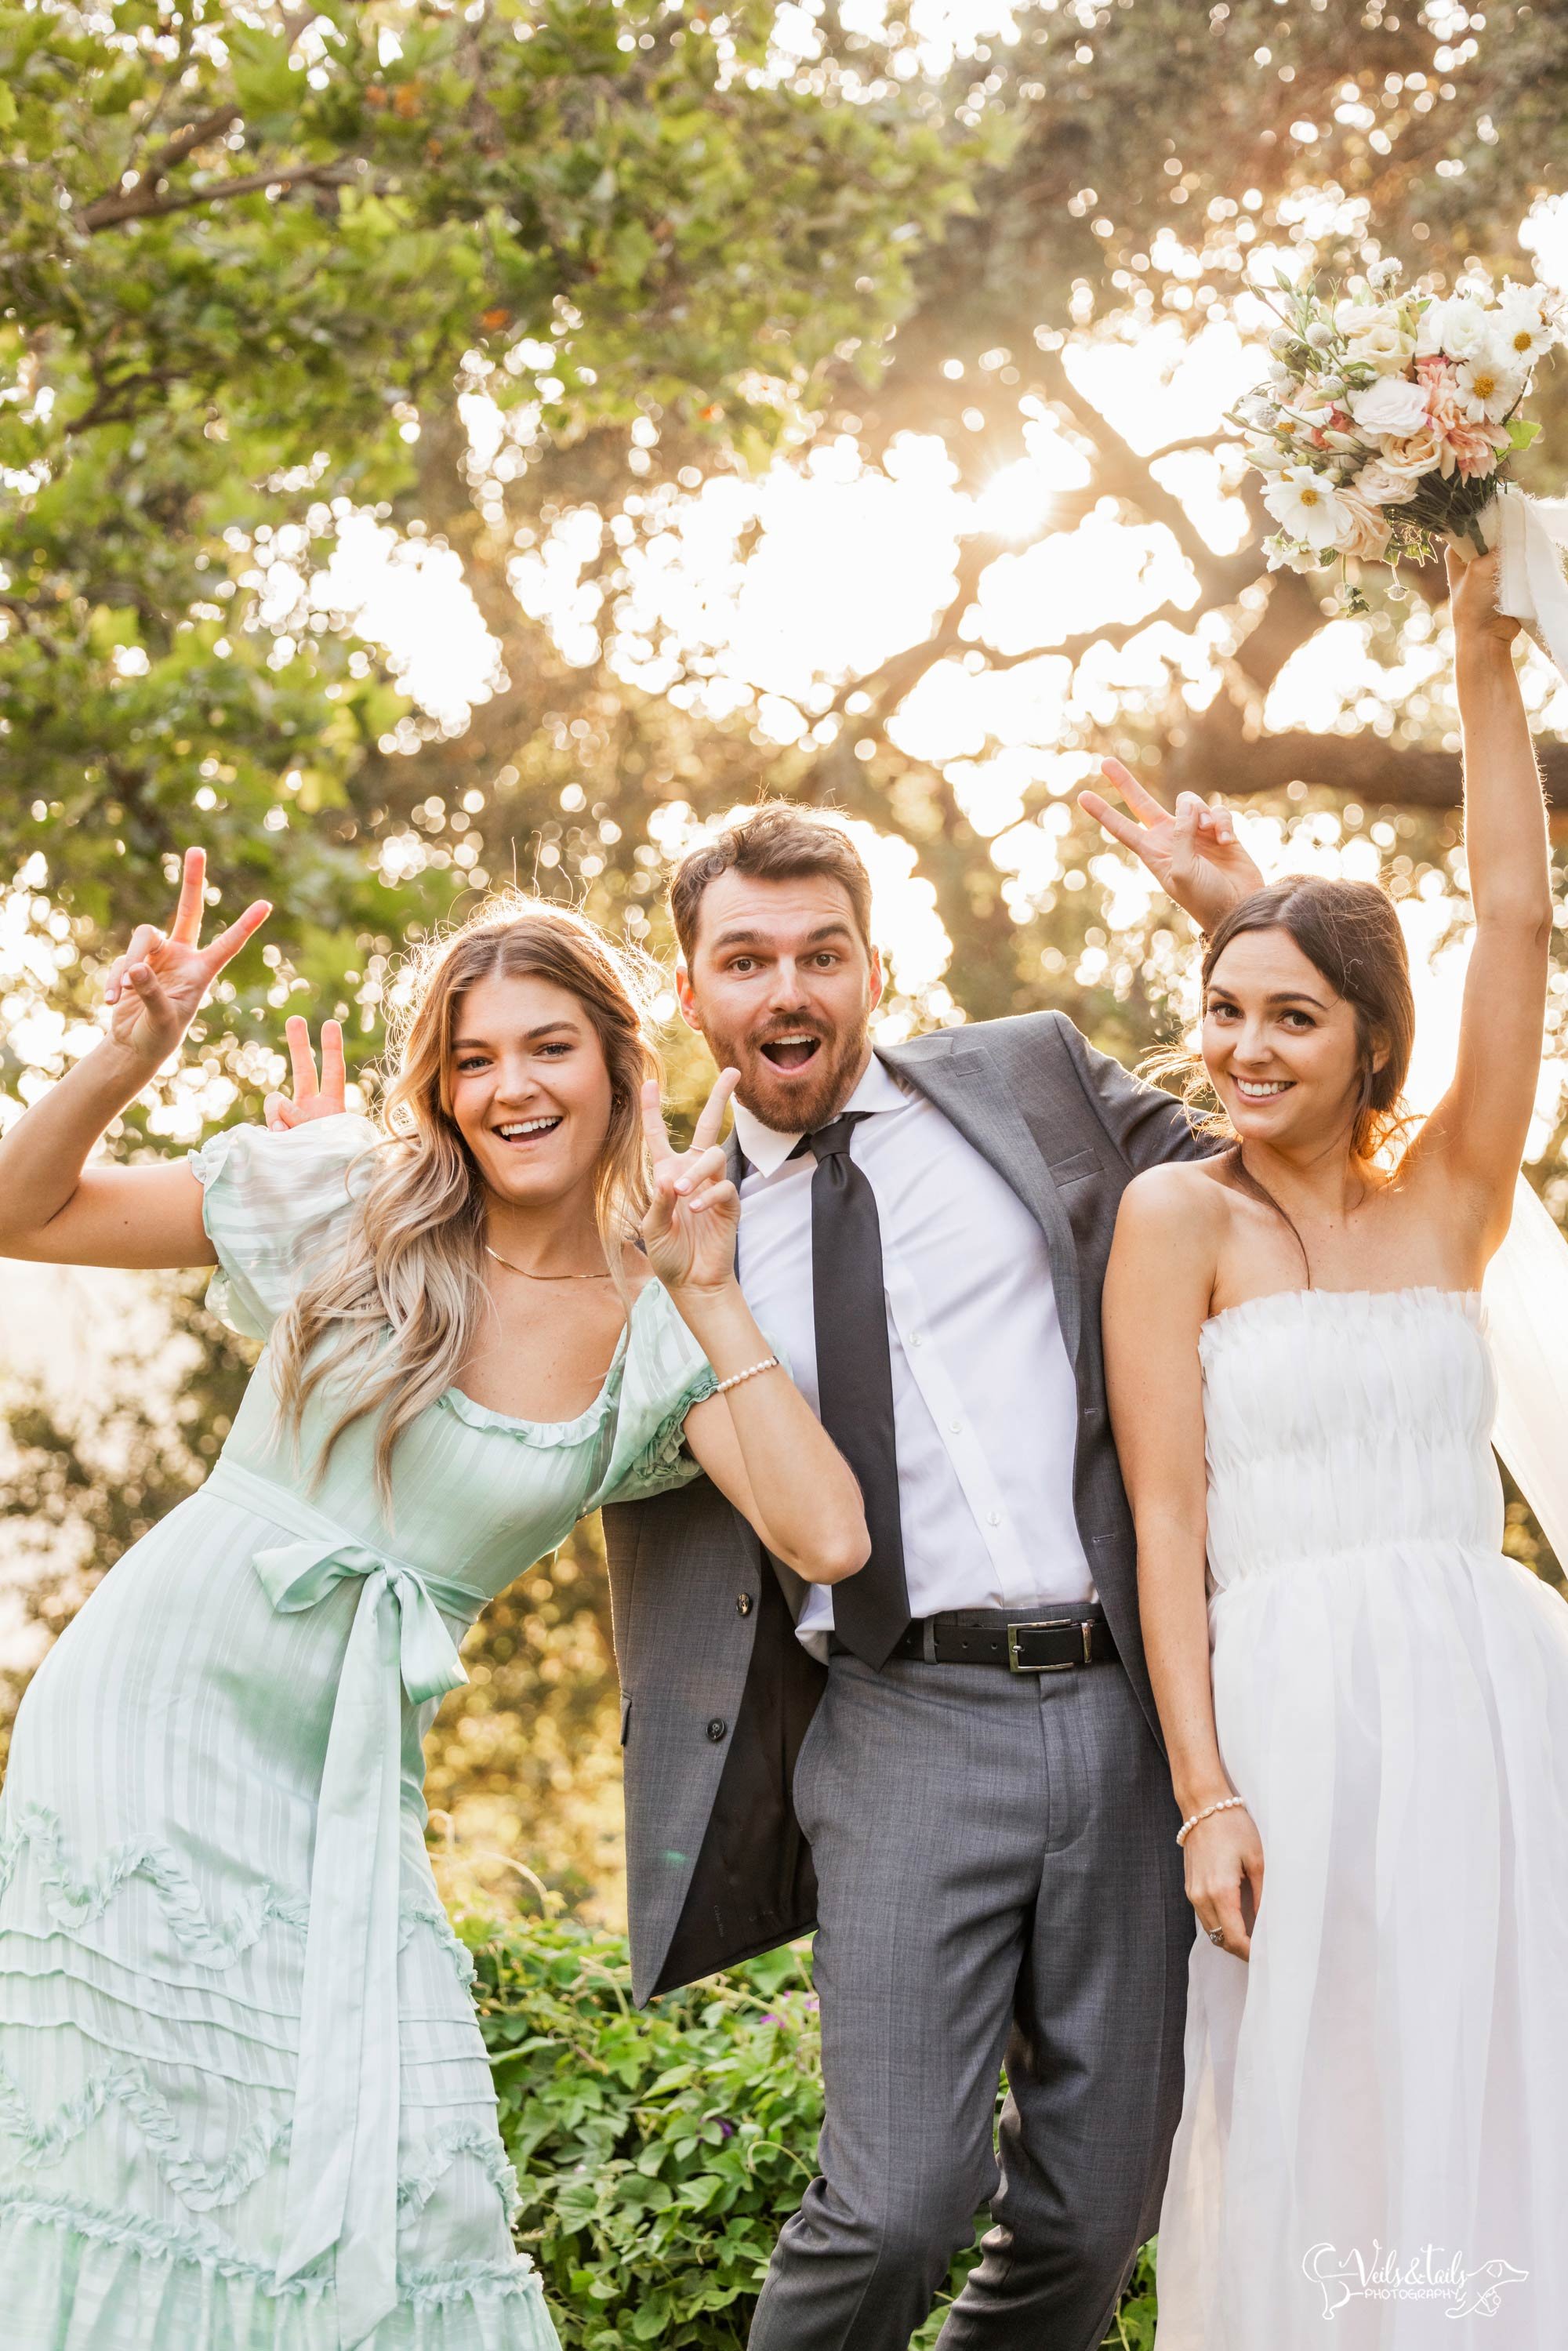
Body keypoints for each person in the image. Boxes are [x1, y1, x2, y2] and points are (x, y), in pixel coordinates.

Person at [0, 869, 867, 2351]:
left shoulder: (659, 1325)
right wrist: (129, 1054)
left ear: (614, 1063)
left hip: (345, 1778)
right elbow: (26, 1216)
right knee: (133, 2144)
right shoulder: (347, 1195)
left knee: (406, 2171)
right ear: (444, 1088)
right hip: (151, 1714)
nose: (509, 1086)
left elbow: (827, 1535)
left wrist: (710, 1292)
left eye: (545, 1048)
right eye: (473, 1058)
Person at [601, 779, 1267, 2349]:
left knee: (1102, 2214)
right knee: (895, 2206)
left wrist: (1233, 913)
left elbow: (1285, 1150)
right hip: (895, 1726)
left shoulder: (1028, 1081)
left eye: (821, 954)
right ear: (691, 990)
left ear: (874, 977)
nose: (787, 990)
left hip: (1125, 1714)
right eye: (746, 959)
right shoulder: (662, 1238)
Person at [1105, 546, 1566, 2346]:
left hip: (1489, 1701)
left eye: (1290, 1017)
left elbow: (1516, 921)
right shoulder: (1174, 1225)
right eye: (1224, 1012)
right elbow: (1163, 1521)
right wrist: (1202, 1791)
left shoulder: (1452, 1193)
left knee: (1502, 2069)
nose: (1242, 1048)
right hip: (1285, 1714)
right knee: (1326, 2095)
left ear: (1375, 1037)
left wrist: (1478, 668)